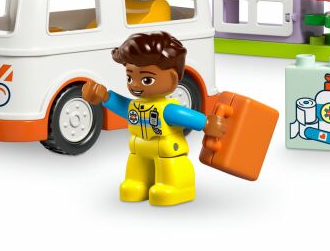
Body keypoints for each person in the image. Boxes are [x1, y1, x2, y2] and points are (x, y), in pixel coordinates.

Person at [81, 32, 227, 206]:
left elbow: (184, 115)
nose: (135, 84)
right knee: (136, 166)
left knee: (169, 165)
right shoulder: (135, 106)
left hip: (165, 151)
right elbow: (123, 106)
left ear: (172, 78)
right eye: (130, 77)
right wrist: (104, 97)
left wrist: (206, 123)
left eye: (147, 79)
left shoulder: (167, 109)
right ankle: (138, 183)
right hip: (139, 149)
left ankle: (175, 186)